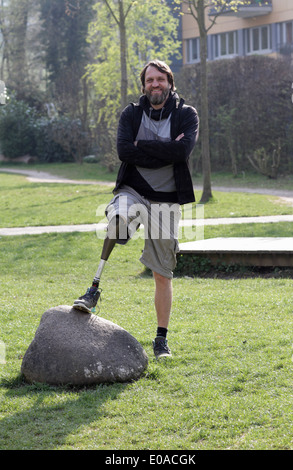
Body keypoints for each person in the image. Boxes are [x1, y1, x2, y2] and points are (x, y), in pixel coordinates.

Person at [73, 60, 199, 359]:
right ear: (143, 85)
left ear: (170, 81)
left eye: (160, 79)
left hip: (166, 200)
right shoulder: (131, 113)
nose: (155, 85)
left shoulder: (186, 114)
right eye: (149, 80)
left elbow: (183, 151)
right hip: (133, 190)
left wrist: (143, 146)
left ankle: (160, 339)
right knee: (117, 219)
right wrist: (165, 148)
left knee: (162, 274)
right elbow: (124, 152)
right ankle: (92, 290)